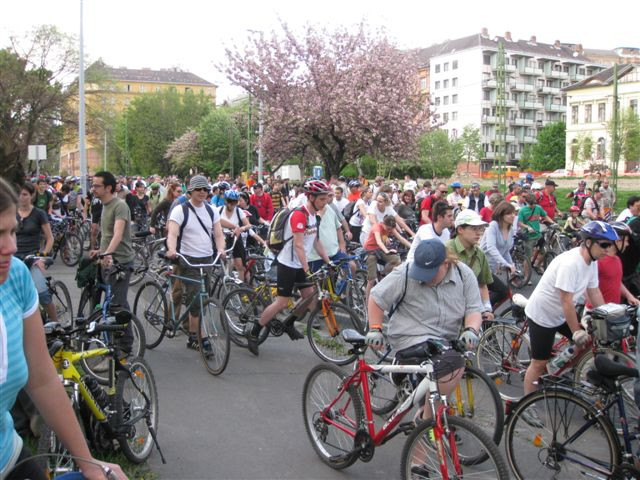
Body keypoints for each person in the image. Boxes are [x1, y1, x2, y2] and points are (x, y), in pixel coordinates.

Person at [0, 177, 126, 480]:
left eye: (13, 230)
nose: (11, 246)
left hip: (8, 455)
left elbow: (42, 378)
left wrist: (88, 461)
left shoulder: (16, 277)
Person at [365, 239, 483, 422]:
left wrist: (471, 330)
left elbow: (474, 308)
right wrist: (375, 328)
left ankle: (430, 414)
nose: (423, 277)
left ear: (446, 263)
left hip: (446, 338)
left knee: (450, 360)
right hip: (410, 336)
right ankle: (428, 421)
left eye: (430, 273)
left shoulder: (463, 274)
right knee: (452, 362)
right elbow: (376, 298)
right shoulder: (405, 273)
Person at [521, 221, 615, 425]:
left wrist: (607, 315)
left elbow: (594, 291)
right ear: (588, 242)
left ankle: (554, 369)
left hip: (561, 313)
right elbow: (566, 301)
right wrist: (576, 331)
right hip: (543, 315)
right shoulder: (571, 263)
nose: (608, 251)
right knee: (538, 363)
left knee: (588, 340)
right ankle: (527, 405)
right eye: (604, 245)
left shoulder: (592, 261)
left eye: (610, 246)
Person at [246, 180, 332, 355]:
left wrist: (329, 261)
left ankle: (289, 323)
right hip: (288, 263)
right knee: (282, 302)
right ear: (311, 197)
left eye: (326, 199)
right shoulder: (299, 215)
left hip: (300, 263)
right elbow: (299, 245)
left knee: (310, 299)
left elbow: (316, 241)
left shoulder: (315, 216)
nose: (325, 202)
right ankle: (254, 332)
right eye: (322, 199)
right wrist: (308, 269)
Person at [165, 175, 231, 350]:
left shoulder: (211, 211)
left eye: (205, 189)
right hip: (188, 260)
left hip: (207, 259)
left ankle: (193, 333)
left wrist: (221, 249)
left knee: (203, 297)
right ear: (191, 191)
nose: (202, 192)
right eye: (198, 189)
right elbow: (172, 234)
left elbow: (218, 235)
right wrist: (171, 250)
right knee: (196, 300)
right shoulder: (180, 210)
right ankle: (196, 336)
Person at [88, 171, 135, 350]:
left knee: (117, 306)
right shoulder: (104, 205)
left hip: (119, 261)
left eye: (97, 185)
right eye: (93, 185)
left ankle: (124, 347)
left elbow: (118, 233)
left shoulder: (119, 206)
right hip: (107, 259)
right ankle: (119, 339)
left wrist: (108, 254)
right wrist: (100, 251)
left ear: (108, 187)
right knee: (117, 301)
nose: (93, 189)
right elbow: (107, 235)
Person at [14, 183, 56, 322]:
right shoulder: (11, 212)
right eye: (19, 194)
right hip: (13, 257)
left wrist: (42, 257)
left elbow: (50, 238)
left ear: (32, 196)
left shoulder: (39, 213)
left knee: (42, 292)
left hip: (32, 257)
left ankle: (57, 324)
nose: (21, 197)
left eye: (25, 194)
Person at [447, 210, 495, 320]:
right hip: (449, 312)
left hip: (472, 310)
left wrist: (487, 309)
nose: (478, 233)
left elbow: (482, 284)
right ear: (460, 229)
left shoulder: (480, 253)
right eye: (474, 228)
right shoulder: (447, 250)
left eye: (480, 228)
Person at [588, 222, 639, 306]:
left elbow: (616, 281)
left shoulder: (617, 259)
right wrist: (600, 309)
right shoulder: (599, 261)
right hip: (597, 312)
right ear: (617, 241)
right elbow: (587, 288)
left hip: (613, 312)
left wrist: (629, 296)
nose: (627, 244)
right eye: (626, 241)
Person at [363, 215, 411, 299]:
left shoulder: (390, 228)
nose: (389, 231)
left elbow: (401, 239)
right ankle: (367, 303)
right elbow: (379, 242)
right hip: (370, 250)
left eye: (390, 229)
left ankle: (383, 274)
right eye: (388, 229)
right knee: (371, 280)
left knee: (396, 260)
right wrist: (387, 251)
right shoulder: (377, 227)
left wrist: (412, 246)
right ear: (383, 224)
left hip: (379, 249)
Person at [480, 201, 517, 307]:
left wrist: (511, 265)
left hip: (492, 268)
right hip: (482, 266)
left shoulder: (510, 229)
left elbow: (505, 251)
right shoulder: (493, 226)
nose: (513, 216)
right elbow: (491, 247)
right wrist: (506, 264)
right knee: (503, 291)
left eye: (514, 213)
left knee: (492, 292)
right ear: (501, 214)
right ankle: (484, 312)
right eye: (509, 213)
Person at [218, 190, 252, 282]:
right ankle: (225, 284)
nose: (232, 205)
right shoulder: (219, 210)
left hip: (236, 238)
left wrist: (241, 229)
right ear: (226, 201)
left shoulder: (239, 211)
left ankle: (239, 288)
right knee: (227, 262)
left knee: (239, 264)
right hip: (223, 238)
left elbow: (248, 225)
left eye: (235, 202)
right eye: (230, 201)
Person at [518, 193, 555, 272]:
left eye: (534, 204)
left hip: (538, 234)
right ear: (527, 202)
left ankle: (537, 265)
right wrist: (527, 227)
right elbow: (520, 223)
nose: (533, 206)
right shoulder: (522, 210)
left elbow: (545, 216)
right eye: (531, 204)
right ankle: (526, 275)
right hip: (529, 236)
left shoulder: (538, 208)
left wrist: (552, 223)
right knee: (528, 257)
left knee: (544, 251)